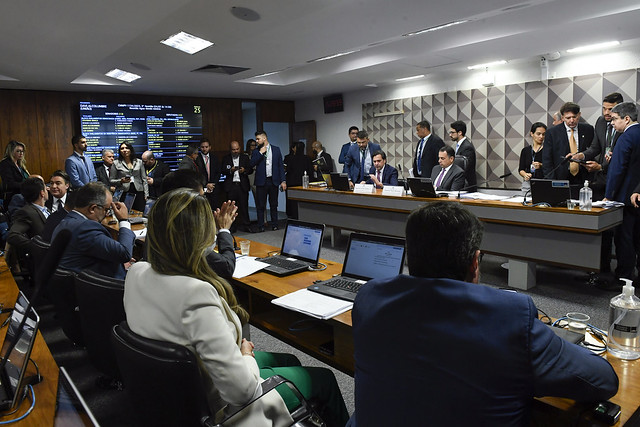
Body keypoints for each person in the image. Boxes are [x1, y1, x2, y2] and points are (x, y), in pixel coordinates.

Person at [350, 201, 619, 426]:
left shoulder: (370, 298)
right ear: (475, 262)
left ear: (410, 256)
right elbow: (602, 381)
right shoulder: (511, 316)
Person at [123, 189, 349, 426]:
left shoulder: (137, 272)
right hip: (227, 407)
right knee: (325, 378)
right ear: (197, 236)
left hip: (174, 392)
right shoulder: (195, 294)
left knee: (289, 358)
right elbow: (243, 393)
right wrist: (246, 356)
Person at [161, 168, 239, 279]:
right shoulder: (186, 237)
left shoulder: (159, 225)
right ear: (186, 201)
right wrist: (224, 230)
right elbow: (226, 267)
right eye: (201, 197)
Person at [52, 182, 135, 279]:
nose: (107, 214)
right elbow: (125, 253)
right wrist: (124, 220)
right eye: (106, 209)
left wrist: (116, 260)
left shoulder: (66, 221)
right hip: (103, 285)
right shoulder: (85, 228)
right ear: (92, 208)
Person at [604, 102, 640, 288]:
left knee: (624, 239)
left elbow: (617, 170)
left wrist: (609, 195)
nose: (612, 123)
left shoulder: (625, 137)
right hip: (637, 195)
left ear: (626, 119)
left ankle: (623, 279)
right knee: (638, 239)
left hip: (625, 198)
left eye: (615, 119)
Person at [542, 102, 595, 198]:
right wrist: (551, 181)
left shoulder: (588, 129)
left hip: (583, 177)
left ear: (579, 115)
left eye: (574, 117)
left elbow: (593, 151)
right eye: (568, 118)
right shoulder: (552, 132)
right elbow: (547, 159)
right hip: (560, 178)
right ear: (562, 118)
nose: (572, 120)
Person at [6, 177, 49, 270]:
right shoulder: (26, 212)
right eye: (46, 188)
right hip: (46, 261)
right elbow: (13, 235)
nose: (48, 190)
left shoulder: (46, 210)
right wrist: (37, 247)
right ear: (42, 193)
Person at [250, 131, 286, 232]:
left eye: (258, 139)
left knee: (274, 204)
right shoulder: (256, 151)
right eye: (256, 139)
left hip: (273, 180)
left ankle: (275, 225)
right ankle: (261, 226)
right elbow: (251, 164)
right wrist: (260, 153)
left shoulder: (276, 149)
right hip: (261, 181)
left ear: (264, 138)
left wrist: (283, 181)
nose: (256, 141)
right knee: (261, 205)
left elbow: (280, 166)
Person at [221, 141, 252, 233]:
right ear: (230, 150)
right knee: (231, 208)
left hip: (242, 186)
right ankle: (232, 226)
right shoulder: (226, 158)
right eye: (233, 149)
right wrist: (231, 170)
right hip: (231, 186)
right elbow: (222, 170)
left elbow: (250, 170)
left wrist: (244, 170)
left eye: (237, 149)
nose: (235, 151)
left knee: (244, 207)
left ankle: (246, 225)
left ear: (240, 148)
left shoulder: (245, 157)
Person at [110, 141, 148, 212]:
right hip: (124, 192)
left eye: (127, 148)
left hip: (139, 191)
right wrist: (121, 181)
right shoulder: (116, 163)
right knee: (125, 212)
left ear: (131, 149)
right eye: (122, 148)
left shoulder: (139, 162)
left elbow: (144, 179)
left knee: (140, 212)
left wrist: (146, 194)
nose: (124, 150)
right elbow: (111, 180)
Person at [284, 141, 313, 219]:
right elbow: (310, 171)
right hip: (303, 183)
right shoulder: (307, 158)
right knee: (301, 201)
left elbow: (287, 169)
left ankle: (291, 216)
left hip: (291, 182)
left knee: (291, 201)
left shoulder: (289, 158)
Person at [0, 140, 29, 209]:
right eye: (18, 151)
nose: (21, 153)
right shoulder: (5, 164)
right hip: (13, 197)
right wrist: (27, 185)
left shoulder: (20, 164)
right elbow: (10, 183)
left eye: (22, 151)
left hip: (24, 194)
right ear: (11, 152)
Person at [448, 120, 477, 191]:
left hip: (466, 187)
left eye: (452, 132)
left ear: (460, 133)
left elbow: (465, 168)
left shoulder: (467, 147)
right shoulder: (460, 145)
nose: (450, 135)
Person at [518, 122, 546, 192]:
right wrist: (525, 175)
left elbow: (553, 167)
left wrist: (541, 165)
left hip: (544, 183)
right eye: (538, 134)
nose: (541, 137)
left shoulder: (548, 150)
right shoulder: (525, 150)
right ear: (532, 134)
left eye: (543, 134)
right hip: (528, 184)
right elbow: (521, 169)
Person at [196, 138, 221, 210]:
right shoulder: (197, 159)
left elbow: (218, 172)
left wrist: (212, 184)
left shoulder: (215, 158)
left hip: (214, 188)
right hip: (202, 189)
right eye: (202, 147)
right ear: (200, 147)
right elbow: (197, 175)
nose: (204, 149)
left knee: (214, 209)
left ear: (210, 147)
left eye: (206, 147)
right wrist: (206, 184)